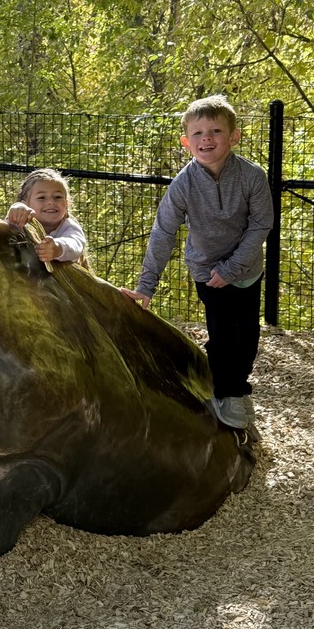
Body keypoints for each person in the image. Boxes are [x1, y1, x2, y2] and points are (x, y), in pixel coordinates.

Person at [120, 95, 273, 430]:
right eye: (199, 132)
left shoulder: (252, 177)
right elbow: (163, 233)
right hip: (207, 272)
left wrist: (232, 268)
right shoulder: (183, 185)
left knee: (246, 335)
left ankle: (237, 384)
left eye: (216, 130)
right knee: (222, 335)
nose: (207, 138)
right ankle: (227, 392)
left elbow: (261, 224)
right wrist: (146, 287)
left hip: (246, 271)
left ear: (234, 137)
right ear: (186, 142)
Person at [5, 167, 88, 265]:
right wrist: (16, 210)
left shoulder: (69, 227)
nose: (51, 202)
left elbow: (75, 244)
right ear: (26, 204)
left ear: (67, 204)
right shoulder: (23, 222)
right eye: (41, 197)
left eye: (58, 197)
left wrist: (57, 248)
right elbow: (3, 235)